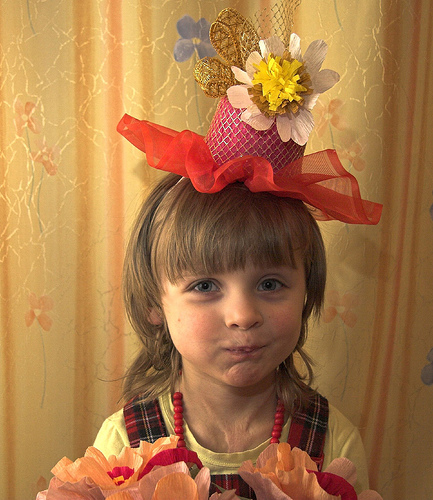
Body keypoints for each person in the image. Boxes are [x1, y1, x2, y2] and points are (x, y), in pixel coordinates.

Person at [94, 7, 382, 497]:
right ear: (153, 302)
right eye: (205, 285)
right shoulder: (122, 445)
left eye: (270, 283)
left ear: (307, 291)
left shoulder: (334, 444)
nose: (243, 315)